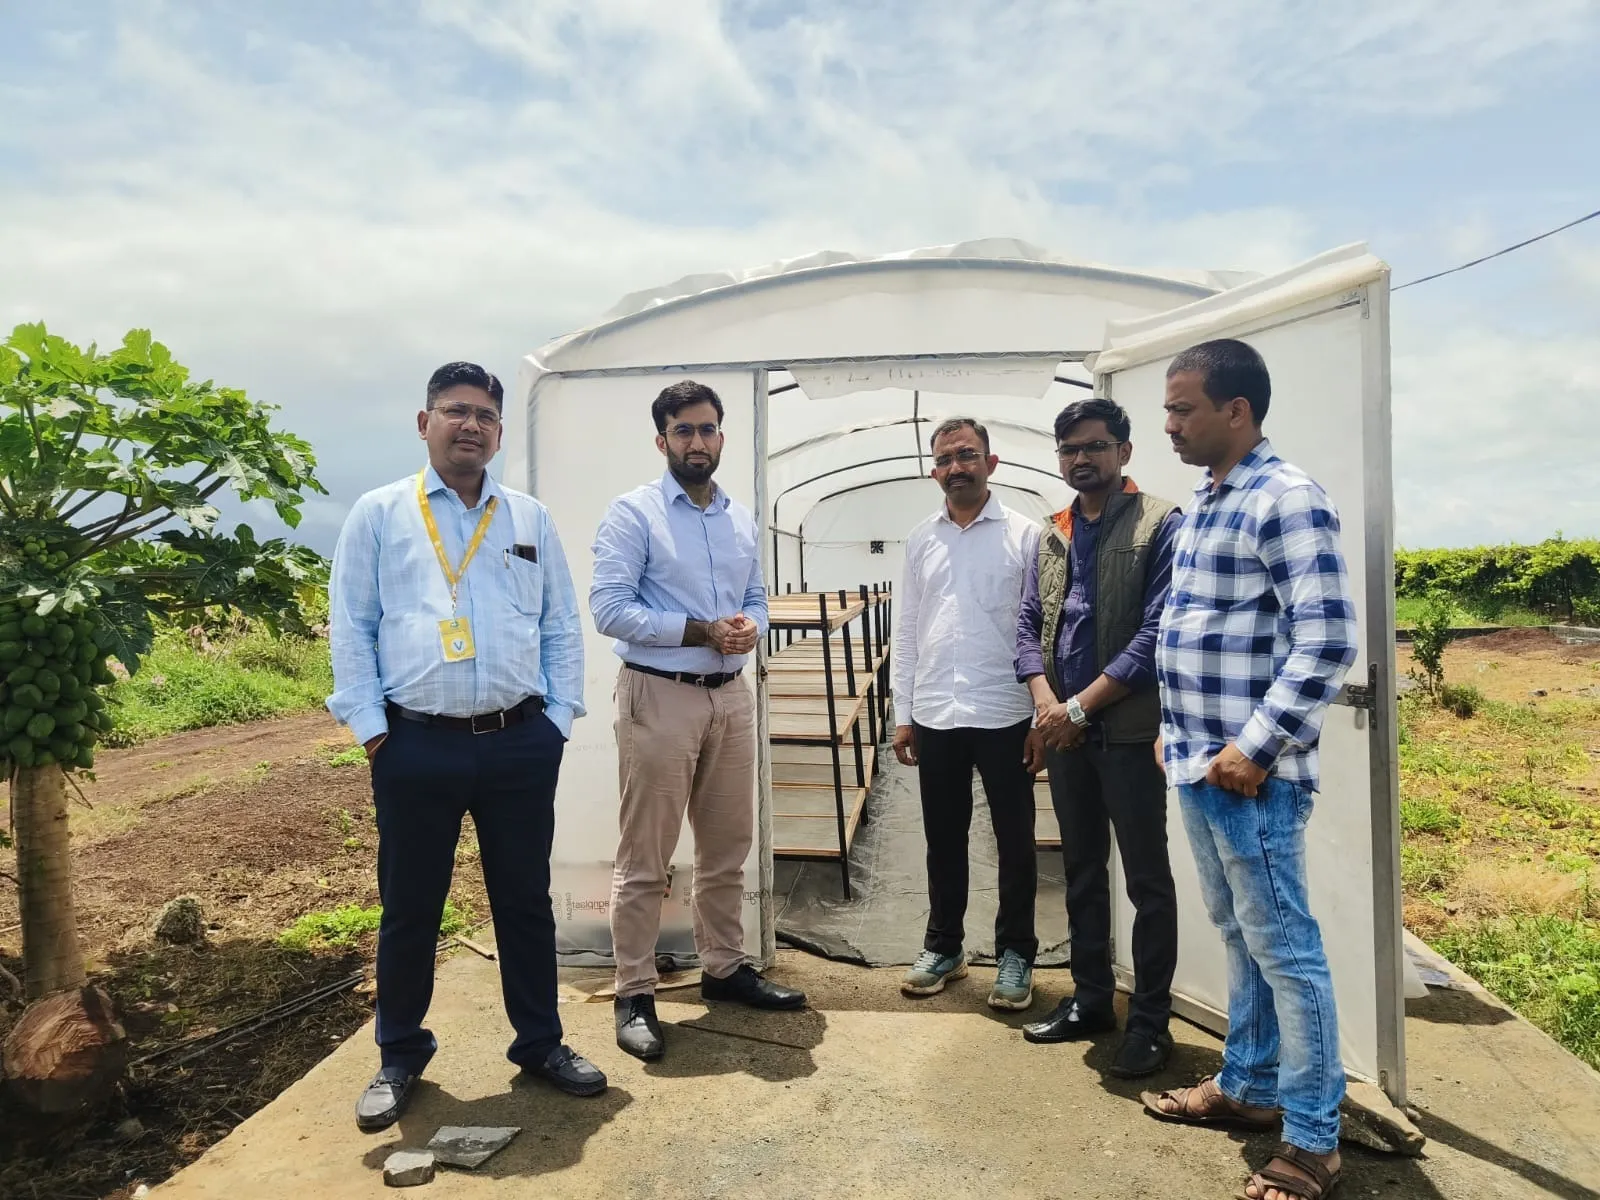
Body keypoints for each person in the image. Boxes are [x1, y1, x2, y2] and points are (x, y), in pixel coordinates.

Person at [328, 361, 602, 1132]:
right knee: (410, 907)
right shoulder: (380, 514)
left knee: (524, 903)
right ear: (425, 423)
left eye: (485, 414)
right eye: (455, 411)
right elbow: (350, 626)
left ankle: (541, 1044)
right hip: (416, 745)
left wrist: (558, 721)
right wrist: (374, 732)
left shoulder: (527, 518)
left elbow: (558, 623)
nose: (471, 425)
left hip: (518, 743)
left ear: (500, 431)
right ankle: (399, 1054)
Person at [1140, 339, 1357, 1200]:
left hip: (1250, 775)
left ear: (1237, 411)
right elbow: (1197, 627)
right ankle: (1247, 1087)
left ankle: (1312, 1142)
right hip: (1201, 760)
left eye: (1182, 408)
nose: (1169, 425)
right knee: (1240, 934)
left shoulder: (1286, 498)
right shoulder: (1208, 499)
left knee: (1287, 950)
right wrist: (1178, 728)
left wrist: (1256, 745)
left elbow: (1327, 638)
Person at [591, 380, 806, 1062]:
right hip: (661, 695)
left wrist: (749, 627)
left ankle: (724, 968)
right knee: (646, 855)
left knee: (727, 846)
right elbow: (611, 609)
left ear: (720, 436)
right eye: (683, 430)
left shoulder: (738, 518)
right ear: (662, 441)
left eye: (708, 429)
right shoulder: (635, 515)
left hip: (728, 696)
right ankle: (633, 991)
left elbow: (754, 596)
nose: (697, 441)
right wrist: (699, 629)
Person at [1014, 397, 1182, 1079]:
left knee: (1147, 880)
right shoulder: (1051, 532)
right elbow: (1027, 626)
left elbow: (1155, 633)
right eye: (1069, 448)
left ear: (1124, 452)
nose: (1081, 458)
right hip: (1068, 734)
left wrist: (1079, 708)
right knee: (1081, 870)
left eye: (1095, 446)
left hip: (1128, 730)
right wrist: (1046, 703)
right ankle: (1090, 1000)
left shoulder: (1159, 523)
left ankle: (1150, 1021)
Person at [892, 417, 1044, 1010]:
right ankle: (944, 945)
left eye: (968, 455)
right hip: (936, 710)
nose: (957, 467)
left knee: (1016, 839)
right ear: (934, 471)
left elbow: (1040, 629)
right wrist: (904, 713)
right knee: (943, 837)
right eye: (946, 459)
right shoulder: (920, 539)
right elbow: (908, 631)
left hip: (1005, 708)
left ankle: (1016, 953)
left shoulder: (1025, 536)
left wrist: (1040, 716)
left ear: (991, 462)